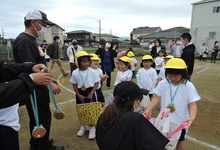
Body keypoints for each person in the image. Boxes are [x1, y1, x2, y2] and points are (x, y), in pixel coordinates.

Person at [12, 9, 64, 150]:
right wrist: (50, 84)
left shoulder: (31, 40)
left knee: (38, 117)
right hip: (34, 88)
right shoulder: (25, 41)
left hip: (37, 86)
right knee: (41, 116)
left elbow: (38, 66)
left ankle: (39, 142)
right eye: (43, 24)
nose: (44, 27)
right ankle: (42, 146)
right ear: (33, 23)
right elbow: (31, 69)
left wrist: (50, 80)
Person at [144, 58, 201, 150]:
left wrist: (192, 117)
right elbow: (156, 98)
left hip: (180, 121)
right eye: (170, 76)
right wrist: (148, 109)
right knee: (162, 140)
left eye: (176, 76)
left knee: (180, 140)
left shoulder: (188, 86)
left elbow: (192, 103)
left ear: (184, 73)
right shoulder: (163, 83)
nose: (173, 78)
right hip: (164, 119)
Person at [96, 81, 169, 150]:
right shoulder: (135, 118)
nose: (139, 102)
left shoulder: (104, 115)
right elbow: (156, 146)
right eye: (139, 99)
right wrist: (158, 133)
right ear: (133, 101)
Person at [0, 63, 50, 150]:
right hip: (3, 126)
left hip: (8, 123)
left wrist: (30, 67)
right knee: (39, 117)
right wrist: (29, 80)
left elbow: (3, 69)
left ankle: (38, 144)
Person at [69, 51, 100, 140]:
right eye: (83, 61)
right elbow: (74, 84)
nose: (86, 63)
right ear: (78, 62)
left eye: (87, 61)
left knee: (91, 109)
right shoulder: (75, 72)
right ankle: (83, 126)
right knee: (81, 110)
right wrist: (78, 94)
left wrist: (91, 93)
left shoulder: (92, 72)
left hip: (91, 92)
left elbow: (96, 83)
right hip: (80, 93)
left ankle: (92, 127)